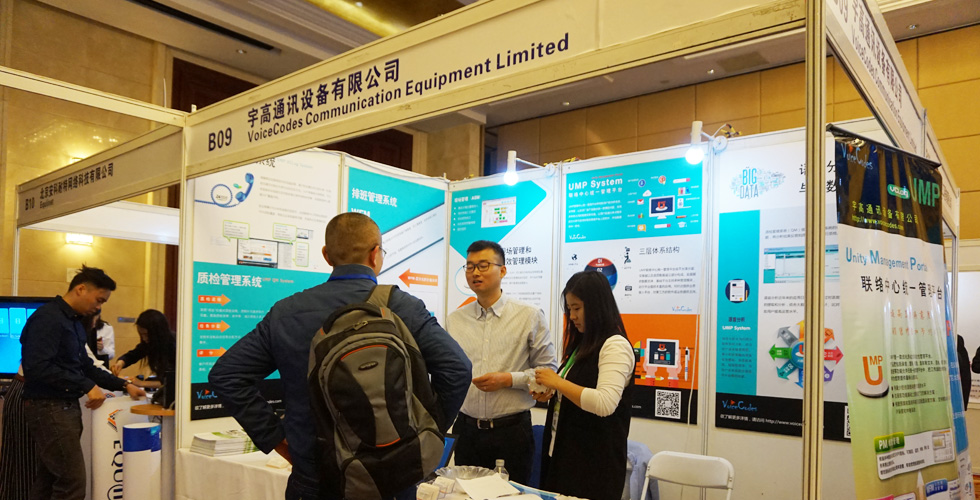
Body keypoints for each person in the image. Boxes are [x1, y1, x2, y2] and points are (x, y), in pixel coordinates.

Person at [209, 212, 471, 500]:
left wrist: (276, 438)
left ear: (326, 255)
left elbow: (226, 375)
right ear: (375, 254)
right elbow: (457, 369)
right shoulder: (402, 307)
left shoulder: (287, 311)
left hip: (315, 476)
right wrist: (426, 432)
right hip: (392, 477)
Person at [20, 265, 146, 500]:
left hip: (62, 408)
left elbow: (86, 366)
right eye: (99, 300)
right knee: (72, 483)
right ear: (80, 289)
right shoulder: (48, 318)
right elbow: (37, 367)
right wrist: (86, 385)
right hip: (49, 407)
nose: (98, 307)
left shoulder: (74, 322)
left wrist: (123, 385)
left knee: (50, 480)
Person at [446, 240, 556, 484]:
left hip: (511, 432)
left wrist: (508, 379)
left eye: (483, 265)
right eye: (469, 266)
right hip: (466, 430)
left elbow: (549, 371)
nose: (475, 272)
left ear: (503, 270)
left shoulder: (529, 315)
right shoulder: (455, 320)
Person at [535, 271, 634, 500]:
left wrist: (558, 382)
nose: (572, 316)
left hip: (594, 465)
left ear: (597, 306)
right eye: (569, 309)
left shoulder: (615, 345)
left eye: (577, 308)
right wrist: (553, 392)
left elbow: (604, 403)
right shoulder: (582, 345)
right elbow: (574, 390)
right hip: (563, 455)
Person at [111, 309, 176, 389]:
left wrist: (142, 383)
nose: (144, 339)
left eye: (146, 334)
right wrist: (120, 363)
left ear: (157, 332)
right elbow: (133, 355)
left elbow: (174, 381)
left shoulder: (174, 346)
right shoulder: (150, 343)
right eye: (141, 335)